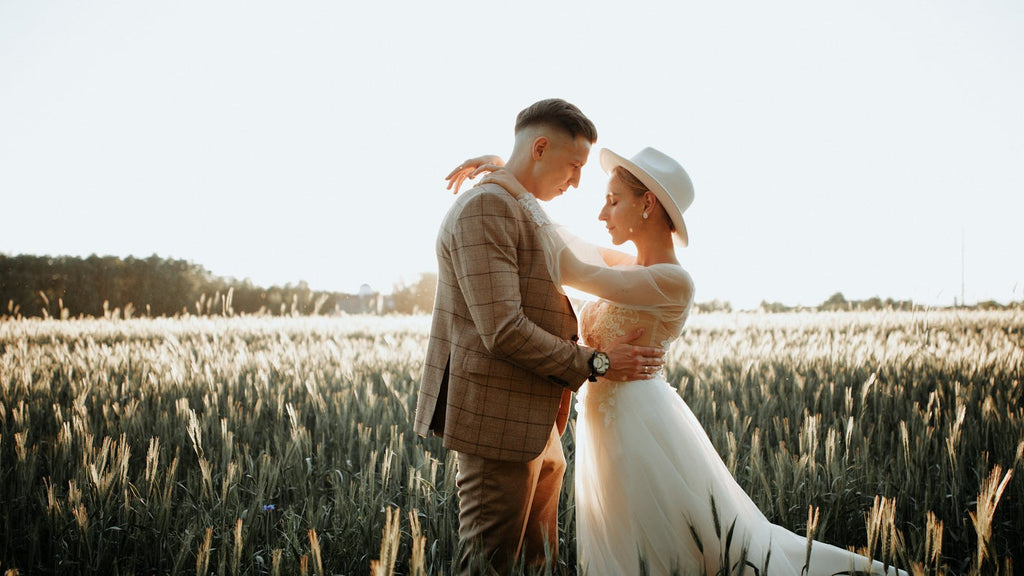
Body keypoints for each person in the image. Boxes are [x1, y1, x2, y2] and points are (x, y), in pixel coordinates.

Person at [447, 147, 908, 575]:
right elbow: (561, 239)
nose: (601, 213)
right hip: (607, 422)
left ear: (646, 204)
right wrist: (511, 175)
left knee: (657, 542)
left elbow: (570, 268)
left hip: (639, 426)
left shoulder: (672, 281)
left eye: (612, 201)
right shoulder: (630, 267)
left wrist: (512, 184)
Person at [413, 98, 667, 575]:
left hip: (534, 419)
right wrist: (598, 362)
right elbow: (503, 330)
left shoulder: (512, 201)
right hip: (496, 423)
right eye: (573, 167)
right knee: (490, 565)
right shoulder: (486, 208)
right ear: (541, 148)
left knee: (538, 561)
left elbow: (533, 216)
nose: (575, 182)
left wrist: (499, 165)